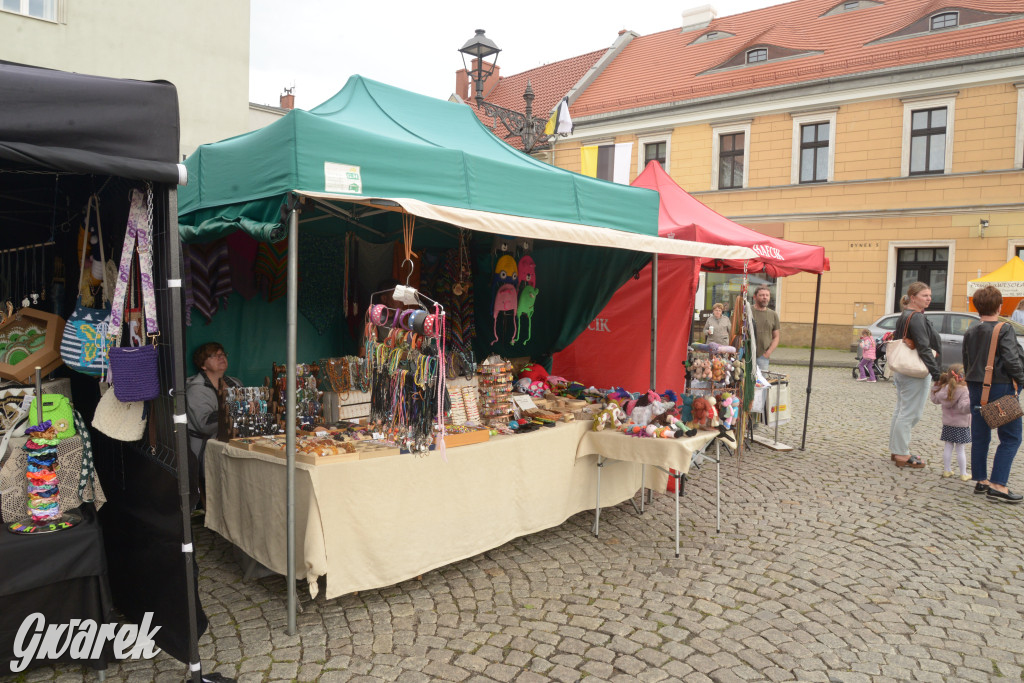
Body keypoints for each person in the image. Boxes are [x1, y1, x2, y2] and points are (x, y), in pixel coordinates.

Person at [962, 285, 1024, 503]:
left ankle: (981, 480)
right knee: (1011, 437)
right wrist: (1022, 380)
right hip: (999, 386)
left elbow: (967, 361)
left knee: (981, 435)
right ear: (999, 306)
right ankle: (998, 485)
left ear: (978, 307)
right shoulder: (1003, 328)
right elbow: (1011, 360)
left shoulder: (970, 330)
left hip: (976, 386)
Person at [889, 281, 942, 469]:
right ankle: (902, 453)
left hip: (903, 369)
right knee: (911, 413)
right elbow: (923, 346)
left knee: (902, 410)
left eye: (929, 295)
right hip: (915, 370)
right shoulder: (916, 317)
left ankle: (897, 449)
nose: (929, 299)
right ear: (913, 298)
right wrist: (937, 373)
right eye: (924, 296)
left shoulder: (905, 315)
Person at [186, 342, 241, 509]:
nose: (221, 357)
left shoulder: (235, 384)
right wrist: (235, 411)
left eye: (223, 354)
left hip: (234, 440)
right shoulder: (196, 389)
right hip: (205, 445)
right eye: (214, 355)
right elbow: (205, 424)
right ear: (203, 365)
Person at [930, 364, 971, 481]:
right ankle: (963, 473)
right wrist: (973, 405)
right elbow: (964, 408)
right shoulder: (964, 390)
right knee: (960, 449)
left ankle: (947, 470)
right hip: (961, 424)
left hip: (948, 423)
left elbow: (935, 399)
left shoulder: (945, 388)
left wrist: (934, 388)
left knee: (948, 446)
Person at [750, 285, 780, 372]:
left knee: (762, 383)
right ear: (755, 297)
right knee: (745, 383)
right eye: (762, 295)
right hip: (747, 356)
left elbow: (776, 337)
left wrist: (768, 353)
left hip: (763, 356)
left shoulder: (773, 314)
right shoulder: (747, 311)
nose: (765, 297)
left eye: (767, 295)